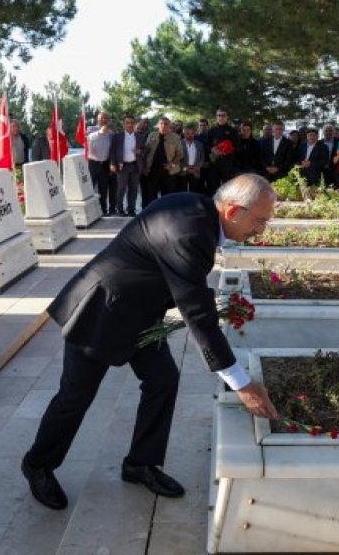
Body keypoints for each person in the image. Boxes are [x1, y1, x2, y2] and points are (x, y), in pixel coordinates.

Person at [21, 175, 281, 510]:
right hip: (102, 312)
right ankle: (38, 464)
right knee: (76, 396)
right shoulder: (190, 230)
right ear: (232, 210)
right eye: (260, 221)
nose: (262, 230)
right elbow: (197, 313)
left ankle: (140, 463)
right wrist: (242, 384)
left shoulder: (198, 211)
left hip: (141, 313)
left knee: (162, 380)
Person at [141, 116, 184, 206]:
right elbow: (146, 151)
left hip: (169, 172)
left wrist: (172, 164)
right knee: (151, 197)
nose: (163, 126)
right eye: (161, 123)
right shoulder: (151, 135)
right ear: (158, 125)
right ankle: (152, 216)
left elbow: (180, 154)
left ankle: (166, 216)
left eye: (166, 124)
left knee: (167, 198)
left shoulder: (175, 138)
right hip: (152, 171)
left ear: (169, 126)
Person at [108, 115, 144, 216]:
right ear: (124, 124)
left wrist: (140, 151)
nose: (130, 125)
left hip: (135, 166)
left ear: (135, 124)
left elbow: (145, 150)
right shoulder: (117, 136)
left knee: (133, 189)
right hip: (122, 166)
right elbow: (112, 152)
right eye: (127, 122)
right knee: (121, 189)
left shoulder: (139, 136)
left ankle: (131, 209)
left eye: (132, 122)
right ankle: (120, 209)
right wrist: (112, 163)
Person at [86, 111, 117, 216]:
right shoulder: (90, 129)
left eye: (106, 118)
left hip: (105, 164)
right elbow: (88, 140)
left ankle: (103, 210)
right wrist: (100, 132)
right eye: (102, 118)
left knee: (103, 189)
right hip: (93, 163)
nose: (104, 120)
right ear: (97, 119)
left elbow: (113, 149)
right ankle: (90, 211)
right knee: (89, 188)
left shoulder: (111, 133)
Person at [206, 108, 239, 192]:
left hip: (227, 164)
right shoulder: (211, 131)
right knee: (214, 188)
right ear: (216, 117)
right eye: (219, 115)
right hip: (214, 164)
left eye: (223, 115)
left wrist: (227, 151)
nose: (221, 117)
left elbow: (237, 147)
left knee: (227, 188)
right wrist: (212, 149)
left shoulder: (233, 131)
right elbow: (206, 146)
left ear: (227, 117)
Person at [178, 124, 207, 193]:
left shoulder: (199, 144)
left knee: (194, 192)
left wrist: (197, 167)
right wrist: (186, 168)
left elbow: (202, 158)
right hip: (183, 171)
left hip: (195, 171)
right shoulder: (179, 144)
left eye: (192, 133)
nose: (189, 135)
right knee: (182, 192)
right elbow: (176, 159)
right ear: (184, 133)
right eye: (187, 133)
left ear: (194, 133)